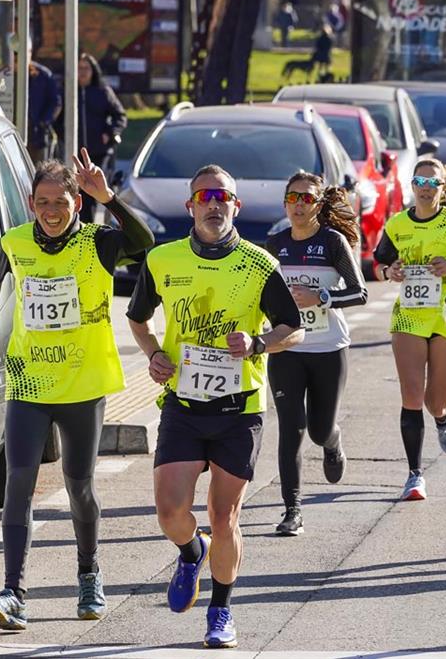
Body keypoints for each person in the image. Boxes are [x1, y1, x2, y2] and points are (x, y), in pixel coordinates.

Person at [0, 150, 155, 631]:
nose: (51, 212)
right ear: (31, 202)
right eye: (43, 202)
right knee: (18, 482)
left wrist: (108, 198)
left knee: (78, 485)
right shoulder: (16, 242)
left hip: (83, 383)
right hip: (31, 379)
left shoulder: (98, 242)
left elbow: (145, 241)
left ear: (76, 202)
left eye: (61, 202)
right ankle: (14, 592)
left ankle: (89, 574)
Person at [126, 165, 304, 649]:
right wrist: (154, 355)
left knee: (225, 516)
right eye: (204, 196)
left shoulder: (257, 263)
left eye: (222, 196)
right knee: (170, 511)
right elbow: (138, 320)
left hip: (238, 409)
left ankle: (221, 609)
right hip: (183, 404)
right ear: (190, 206)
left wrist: (259, 343)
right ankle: (190, 551)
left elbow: (294, 328)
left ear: (235, 206)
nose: (213, 204)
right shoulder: (163, 260)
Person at [373, 159, 446, 500]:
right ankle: (414, 474)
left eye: (433, 182)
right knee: (411, 396)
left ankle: (444, 416)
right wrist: (390, 272)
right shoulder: (397, 224)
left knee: (435, 400)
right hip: (409, 317)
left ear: (443, 187)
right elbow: (378, 264)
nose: (425, 186)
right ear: (412, 184)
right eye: (420, 180)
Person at [265, 173, 367, 536]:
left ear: (319, 204)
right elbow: (260, 295)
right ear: (285, 203)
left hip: (328, 349)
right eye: (292, 197)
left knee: (320, 428)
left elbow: (359, 293)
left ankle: (333, 442)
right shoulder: (275, 245)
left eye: (307, 198)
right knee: (291, 430)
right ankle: (293, 510)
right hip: (287, 349)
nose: (298, 204)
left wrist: (321, 299)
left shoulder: (332, 242)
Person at [72, 54, 127, 224]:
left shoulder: (103, 91)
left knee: (91, 192)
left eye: (86, 68)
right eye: (79, 68)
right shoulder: (69, 91)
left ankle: (89, 227)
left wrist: (109, 133)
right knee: (76, 191)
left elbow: (120, 116)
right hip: (73, 150)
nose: (82, 72)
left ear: (93, 71)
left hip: (97, 152)